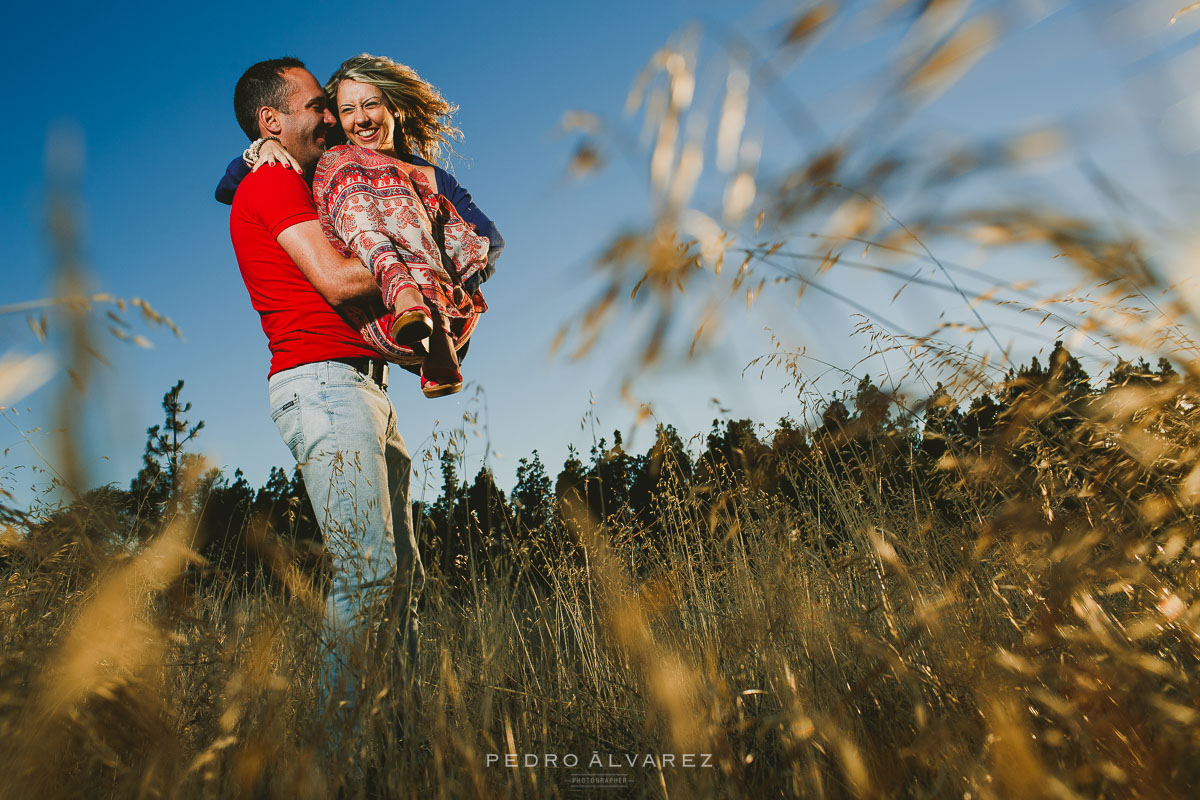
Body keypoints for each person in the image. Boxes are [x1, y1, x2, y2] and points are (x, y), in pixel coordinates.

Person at [225, 57, 424, 725]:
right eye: (315, 105)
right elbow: (339, 281)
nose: (331, 118)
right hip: (324, 386)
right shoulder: (274, 185)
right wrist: (422, 262)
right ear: (270, 120)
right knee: (368, 574)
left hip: (363, 388)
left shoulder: (300, 175)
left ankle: (389, 751)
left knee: (396, 581)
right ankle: (336, 764)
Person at [216, 54, 504, 399]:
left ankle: (429, 319)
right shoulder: (334, 156)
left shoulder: (431, 177)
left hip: (441, 312)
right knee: (346, 163)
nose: (361, 119)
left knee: (402, 186)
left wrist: (445, 283)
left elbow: (491, 240)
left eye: (371, 105)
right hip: (386, 319)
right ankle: (407, 298)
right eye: (347, 111)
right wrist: (265, 144)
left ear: (393, 108)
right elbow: (228, 185)